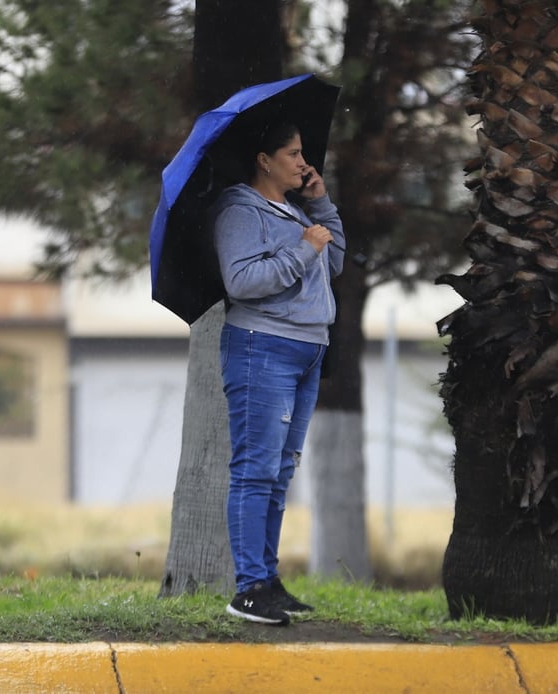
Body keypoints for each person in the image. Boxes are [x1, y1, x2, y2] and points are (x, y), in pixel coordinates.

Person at [210, 122, 346, 626]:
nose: (303, 162)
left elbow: (333, 264)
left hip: (307, 349)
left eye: (302, 152)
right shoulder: (240, 210)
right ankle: (248, 590)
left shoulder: (295, 210)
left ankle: (267, 580)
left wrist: (321, 205)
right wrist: (303, 248)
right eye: (292, 153)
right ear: (264, 160)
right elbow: (241, 281)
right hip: (261, 346)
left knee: (280, 471)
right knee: (256, 469)